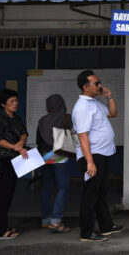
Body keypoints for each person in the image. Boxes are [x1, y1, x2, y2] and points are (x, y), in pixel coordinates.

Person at [72, 70, 124, 242]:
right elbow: (82, 136)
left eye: (99, 82)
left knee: (101, 192)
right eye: (96, 83)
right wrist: (90, 162)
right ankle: (86, 232)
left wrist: (110, 97)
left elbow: (113, 114)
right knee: (91, 194)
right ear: (85, 87)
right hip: (92, 156)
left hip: (102, 153)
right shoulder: (82, 107)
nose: (100, 85)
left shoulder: (94, 102)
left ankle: (106, 226)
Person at [0, 89, 28, 240]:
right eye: (11, 101)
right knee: (1, 196)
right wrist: (15, 147)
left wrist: (21, 142)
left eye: (16, 100)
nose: (15, 103)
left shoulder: (16, 118)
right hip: (3, 161)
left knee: (8, 194)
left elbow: (24, 132)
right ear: (3, 104)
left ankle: (2, 226)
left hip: (15, 160)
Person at [36, 94, 73, 233]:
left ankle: (46, 219)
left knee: (47, 187)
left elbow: (39, 140)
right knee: (63, 186)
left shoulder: (42, 121)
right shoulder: (66, 118)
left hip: (44, 156)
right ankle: (56, 220)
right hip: (59, 154)